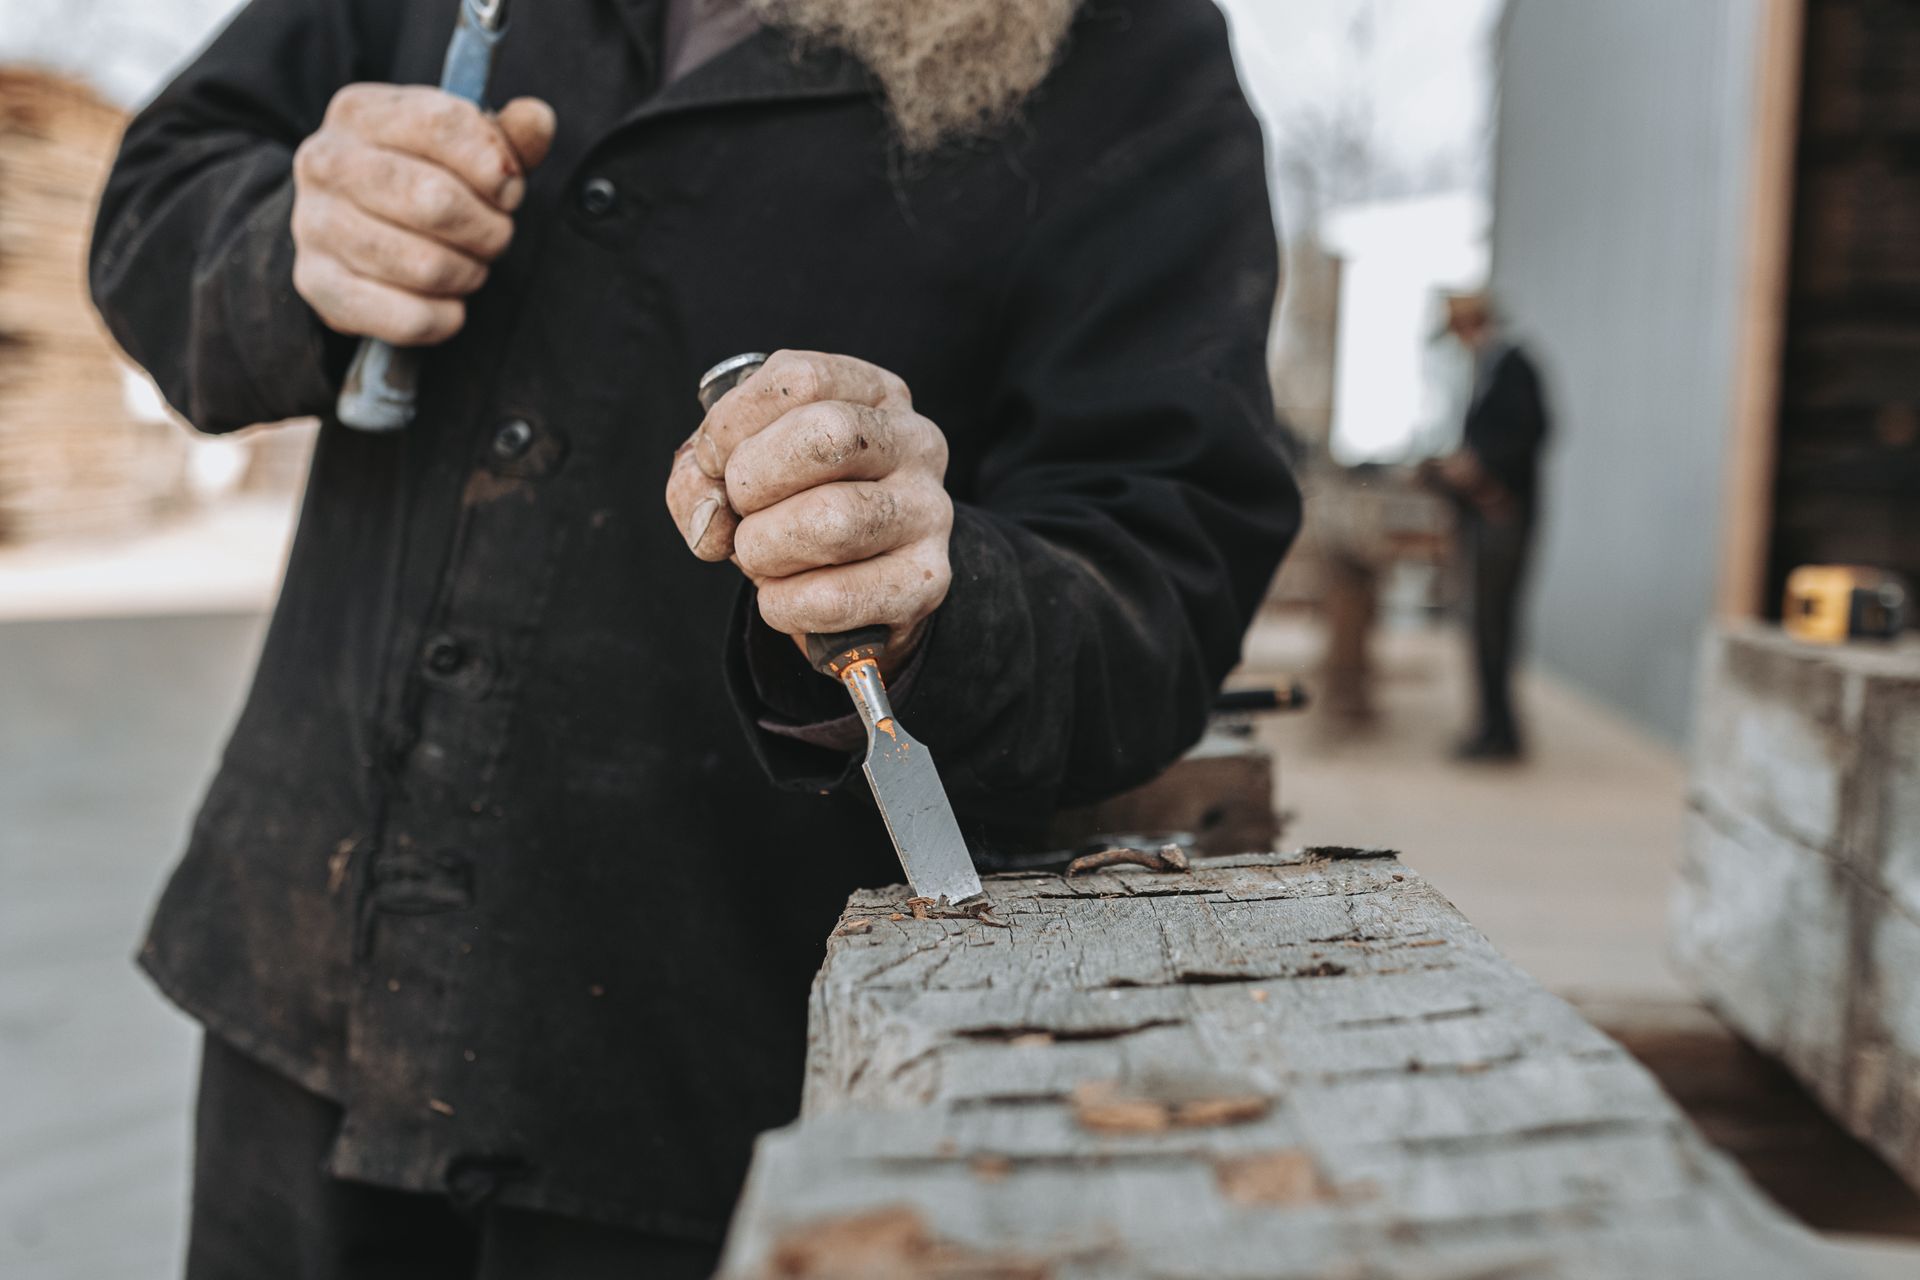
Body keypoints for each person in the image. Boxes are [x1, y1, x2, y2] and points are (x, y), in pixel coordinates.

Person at [89, 0, 1301, 1274]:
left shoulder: (1126, 45)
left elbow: (1166, 555)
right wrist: (293, 237)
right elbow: (153, 202)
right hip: (309, 977)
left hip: (706, 1068)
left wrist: (931, 591)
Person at [1421, 293, 1550, 762]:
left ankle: (1500, 734)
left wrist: (1484, 475)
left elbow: (1530, 433)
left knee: (1494, 625)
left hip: (1504, 518)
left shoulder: (1513, 366)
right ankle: (1493, 727)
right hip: (1486, 516)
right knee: (1484, 626)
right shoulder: (1490, 369)